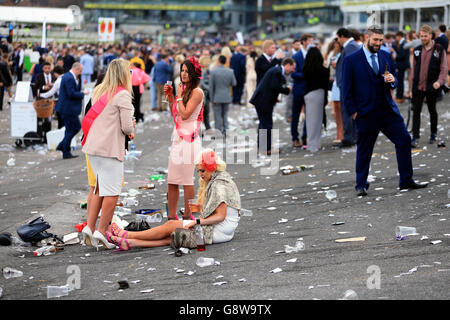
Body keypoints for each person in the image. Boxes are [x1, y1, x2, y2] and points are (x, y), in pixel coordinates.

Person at [342, 25, 428, 197]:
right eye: (375, 40)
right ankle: (361, 185)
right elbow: (346, 89)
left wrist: (393, 81)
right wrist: (354, 112)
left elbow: (394, 79)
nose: (378, 43)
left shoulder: (385, 55)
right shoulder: (351, 60)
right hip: (365, 113)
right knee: (365, 149)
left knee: (404, 139)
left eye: (381, 40)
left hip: (388, 110)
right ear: (367, 38)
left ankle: (406, 180)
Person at [105, 149, 241, 251]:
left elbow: (221, 216)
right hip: (225, 231)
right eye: (198, 171)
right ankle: (130, 243)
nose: (200, 175)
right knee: (175, 236)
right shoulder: (217, 179)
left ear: (211, 168)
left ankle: (126, 235)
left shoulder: (219, 185)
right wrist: (198, 211)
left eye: (202, 171)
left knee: (170, 225)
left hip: (220, 230)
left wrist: (197, 221)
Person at [80, 58, 135, 250]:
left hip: (93, 147)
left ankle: (89, 226)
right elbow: (127, 126)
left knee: (97, 189)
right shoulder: (123, 95)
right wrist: (132, 126)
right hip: (109, 150)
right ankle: (102, 232)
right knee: (112, 192)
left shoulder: (99, 91)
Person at [164, 56, 204, 221]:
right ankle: (172, 217)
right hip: (178, 139)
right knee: (172, 180)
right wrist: (171, 97)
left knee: (187, 180)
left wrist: (178, 96)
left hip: (190, 141)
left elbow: (186, 114)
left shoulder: (197, 92)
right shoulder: (184, 89)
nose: (184, 74)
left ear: (194, 73)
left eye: (187, 71)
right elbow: (176, 114)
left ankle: (188, 216)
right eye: (182, 70)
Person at [410, 25, 448, 147]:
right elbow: (413, 70)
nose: (423, 38)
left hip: (432, 86)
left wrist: (440, 82)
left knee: (432, 111)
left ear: (431, 36)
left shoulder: (439, 49)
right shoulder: (417, 50)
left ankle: (433, 133)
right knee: (416, 111)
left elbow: (444, 68)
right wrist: (411, 88)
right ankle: (415, 137)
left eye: (425, 36)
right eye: (421, 36)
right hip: (418, 87)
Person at [250, 58, 295, 155]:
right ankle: (266, 148)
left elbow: (270, 87)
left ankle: (262, 147)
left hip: (261, 100)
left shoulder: (276, 70)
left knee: (263, 124)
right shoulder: (277, 71)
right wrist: (287, 90)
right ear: (287, 65)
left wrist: (275, 98)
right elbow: (275, 86)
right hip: (263, 101)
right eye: (292, 68)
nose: (292, 70)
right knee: (267, 124)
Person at [55, 62, 88, 159]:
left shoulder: (69, 76)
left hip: (67, 108)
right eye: (80, 71)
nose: (81, 73)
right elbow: (71, 93)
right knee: (75, 128)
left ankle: (64, 149)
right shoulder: (69, 77)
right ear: (76, 69)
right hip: (68, 108)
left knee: (70, 129)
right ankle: (63, 147)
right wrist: (82, 93)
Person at [336, 27, 361, 148]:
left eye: (338, 38)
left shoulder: (350, 47)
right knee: (350, 111)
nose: (338, 41)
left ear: (341, 36)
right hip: (350, 84)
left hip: (348, 85)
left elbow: (352, 67)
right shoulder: (353, 46)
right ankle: (353, 136)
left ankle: (349, 138)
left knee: (347, 111)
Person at [303, 47, 329, 153]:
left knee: (310, 121)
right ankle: (315, 144)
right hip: (318, 94)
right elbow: (326, 81)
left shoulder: (306, 68)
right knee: (317, 121)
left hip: (308, 94)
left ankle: (311, 143)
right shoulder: (322, 70)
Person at [291, 33, 314, 148]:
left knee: (309, 114)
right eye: (309, 41)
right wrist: (305, 75)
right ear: (303, 42)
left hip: (310, 89)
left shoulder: (313, 55)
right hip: (299, 89)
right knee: (295, 115)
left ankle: (305, 136)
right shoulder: (296, 56)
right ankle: (295, 138)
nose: (311, 43)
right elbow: (293, 73)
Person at [209, 55, 237, 135]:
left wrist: (211, 98)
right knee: (225, 115)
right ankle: (226, 130)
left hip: (216, 97)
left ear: (218, 61)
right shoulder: (230, 71)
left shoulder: (213, 72)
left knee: (217, 116)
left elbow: (211, 87)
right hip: (226, 96)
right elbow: (234, 83)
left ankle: (218, 132)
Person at [392, 31, 410, 103]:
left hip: (402, 65)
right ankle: (399, 96)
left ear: (399, 36)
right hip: (401, 65)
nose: (396, 38)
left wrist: (394, 56)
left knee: (400, 81)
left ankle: (400, 97)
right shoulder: (402, 42)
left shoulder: (404, 43)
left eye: (396, 36)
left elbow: (402, 54)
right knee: (400, 81)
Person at [199, 55, 212, 130]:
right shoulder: (202, 71)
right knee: (205, 110)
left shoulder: (202, 70)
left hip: (203, 93)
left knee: (205, 111)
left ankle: (207, 126)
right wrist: (209, 88)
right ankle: (207, 126)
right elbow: (202, 83)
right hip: (203, 93)